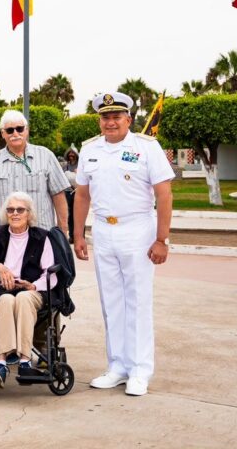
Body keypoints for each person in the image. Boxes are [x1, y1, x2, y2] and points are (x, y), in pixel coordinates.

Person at [73, 92, 174, 397]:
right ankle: (117, 366)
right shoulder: (89, 150)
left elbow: (164, 194)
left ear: (129, 119)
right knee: (111, 302)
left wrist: (162, 238)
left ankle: (140, 370)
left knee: (138, 302)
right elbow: (81, 195)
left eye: (117, 116)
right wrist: (78, 235)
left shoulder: (146, 148)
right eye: (105, 117)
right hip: (104, 230)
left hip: (137, 230)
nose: (111, 122)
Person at [0, 191, 58, 389]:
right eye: (10, 210)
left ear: (29, 214)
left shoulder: (42, 237)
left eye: (20, 210)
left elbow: (51, 273)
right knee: (9, 300)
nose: (15, 213)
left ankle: (25, 361)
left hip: (32, 291)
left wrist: (33, 285)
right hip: (3, 292)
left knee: (24, 298)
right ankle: (1, 363)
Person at [0, 109, 71, 245]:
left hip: (41, 237)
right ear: (3, 133)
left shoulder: (46, 156)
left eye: (20, 129)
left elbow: (58, 196)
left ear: (27, 130)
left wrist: (63, 233)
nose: (15, 134)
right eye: (10, 130)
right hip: (4, 239)